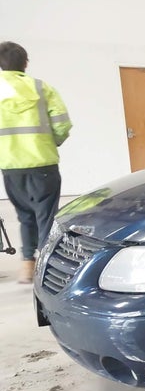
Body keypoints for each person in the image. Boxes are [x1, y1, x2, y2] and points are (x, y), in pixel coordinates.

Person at [0, 41, 72, 283]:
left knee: (24, 216)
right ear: (26, 63)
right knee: (46, 217)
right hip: (43, 164)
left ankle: (27, 265)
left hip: (11, 166)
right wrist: (53, 143)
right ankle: (45, 267)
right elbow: (62, 124)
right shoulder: (42, 89)